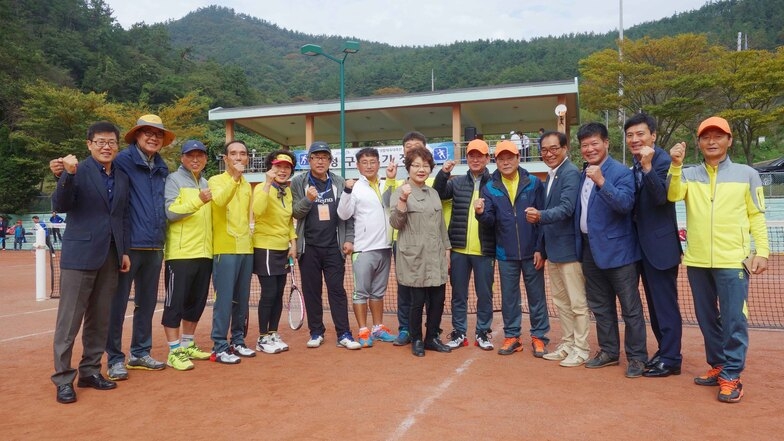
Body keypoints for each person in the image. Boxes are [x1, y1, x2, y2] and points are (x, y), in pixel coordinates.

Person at [668, 116, 769, 403]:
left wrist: (761, 251)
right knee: (706, 317)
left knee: (734, 319)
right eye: (705, 137)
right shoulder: (687, 173)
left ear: (729, 140)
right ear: (698, 142)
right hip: (697, 260)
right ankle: (719, 365)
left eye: (718, 136)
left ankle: (733, 375)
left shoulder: (747, 174)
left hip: (733, 260)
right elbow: (673, 195)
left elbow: (756, 215)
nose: (712, 141)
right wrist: (675, 166)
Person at [51, 121, 131, 404]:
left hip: (110, 256)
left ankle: (90, 371)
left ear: (117, 146)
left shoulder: (121, 176)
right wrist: (67, 176)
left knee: (100, 319)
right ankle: (63, 378)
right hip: (79, 256)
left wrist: (123, 251)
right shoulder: (75, 170)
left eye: (111, 142)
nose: (106, 146)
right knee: (69, 321)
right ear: (89, 144)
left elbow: (120, 216)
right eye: (100, 141)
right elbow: (60, 205)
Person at [575, 122, 648, 378]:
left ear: (606, 143)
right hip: (589, 251)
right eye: (584, 145)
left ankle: (637, 358)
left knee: (630, 308)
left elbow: (625, 204)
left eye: (594, 143)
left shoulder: (620, 172)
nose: (589, 148)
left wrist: (602, 181)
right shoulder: (584, 173)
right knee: (601, 306)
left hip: (620, 252)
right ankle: (609, 351)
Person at [475, 140, 550, 357]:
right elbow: (489, 220)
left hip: (532, 252)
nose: (506, 162)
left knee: (537, 297)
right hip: (505, 254)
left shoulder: (534, 183)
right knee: (509, 297)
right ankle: (512, 336)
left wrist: (540, 248)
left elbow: (543, 217)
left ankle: (539, 337)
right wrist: (480, 213)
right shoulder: (489, 187)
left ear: (518, 158)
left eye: (510, 158)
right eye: (501, 159)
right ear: (496, 161)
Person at [624, 113, 683, 378]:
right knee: (654, 305)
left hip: (661, 248)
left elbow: (661, 198)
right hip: (641, 249)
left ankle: (671, 358)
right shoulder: (634, 165)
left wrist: (648, 167)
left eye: (640, 134)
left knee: (665, 305)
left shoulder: (662, 162)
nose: (635, 140)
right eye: (630, 135)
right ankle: (664, 351)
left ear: (653, 135)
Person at [525, 131, 591, 367]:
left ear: (565, 149)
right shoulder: (551, 175)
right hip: (553, 251)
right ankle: (568, 344)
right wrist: (541, 248)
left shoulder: (570, 172)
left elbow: (567, 208)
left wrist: (540, 215)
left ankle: (581, 349)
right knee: (562, 302)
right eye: (544, 150)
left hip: (570, 251)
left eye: (554, 148)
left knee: (577, 303)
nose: (549, 153)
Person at [383, 131, 452, 346]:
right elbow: (396, 223)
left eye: (425, 166)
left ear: (430, 169)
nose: (421, 169)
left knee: (438, 300)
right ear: (409, 168)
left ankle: (432, 337)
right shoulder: (400, 191)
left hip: (435, 254)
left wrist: (447, 251)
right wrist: (403, 199)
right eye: (416, 165)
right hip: (413, 256)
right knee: (417, 302)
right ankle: (416, 340)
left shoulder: (433, 193)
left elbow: (441, 225)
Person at [291, 141, 359, 350]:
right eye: (316, 157)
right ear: (309, 160)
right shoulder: (298, 182)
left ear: (330, 161)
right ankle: (316, 332)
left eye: (324, 157)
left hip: (333, 247)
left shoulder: (338, 182)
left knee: (337, 290)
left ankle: (344, 334)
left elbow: (347, 215)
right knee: (312, 292)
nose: (320, 161)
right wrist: (308, 200)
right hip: (308, 247)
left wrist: (349, 239)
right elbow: (295, 212)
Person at [433, 139, 495, 350]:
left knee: (485, 295)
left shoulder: (495, 184)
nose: (475, 159)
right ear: (466, 158)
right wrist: (443, 173)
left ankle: (483, 333)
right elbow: (438, 193)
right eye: (471, 155)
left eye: (480, 155)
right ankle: (459, 332)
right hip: (459, 249)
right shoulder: (457, 182)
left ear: (487, 158)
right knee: (459, 294)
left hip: (484, 250)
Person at [161, 140, 214, 371]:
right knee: (175, 304)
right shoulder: (173, 180)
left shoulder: (206, 182)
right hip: (180, 254)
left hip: (205, 254)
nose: (195, 159)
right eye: (190, 155)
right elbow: (171, 212)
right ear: (182, 158)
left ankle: (188, 344)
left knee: (196, 303)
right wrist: (198, 200)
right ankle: (174, 351)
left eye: (200, 155)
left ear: (205, 159)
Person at [337, 147, 396, 348]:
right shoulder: (354, 188)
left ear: (379, 163)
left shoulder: (386, 183)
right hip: (363, 249)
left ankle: (377, 328)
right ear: (358, 165)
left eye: (373, 161)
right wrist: (346, 191)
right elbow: (344, 214)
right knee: (361, 292)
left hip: (385, 248)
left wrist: (390, 180)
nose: (369, 165)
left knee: (378, 293)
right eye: (365, 162)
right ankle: (363, 330)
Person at [209, 140, 256, 363]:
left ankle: (238, 340)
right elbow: (218, 202)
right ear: (226, 158)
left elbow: (248, 217)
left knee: (242, 299)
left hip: (246, 249)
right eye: (234, 154)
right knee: (224, 300)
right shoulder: (215, 181)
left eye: (243, 154)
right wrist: (235, 178)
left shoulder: (248, 185)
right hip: (224, 249)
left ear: (247, 158)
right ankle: (219, 345)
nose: (239, 157)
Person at [252, 150, 297, 354]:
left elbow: (288, 221)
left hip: (282, 249)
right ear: (271, 167)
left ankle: (272, 333)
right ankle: (262, 338)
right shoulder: (262, 188)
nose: (282, 170)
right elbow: (258, 211)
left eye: (286, 167)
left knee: (278, 293)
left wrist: (293, 242)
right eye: (278, 166)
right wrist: (268, 183)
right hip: (265, 247)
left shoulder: (287, 192)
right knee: (269, 294)